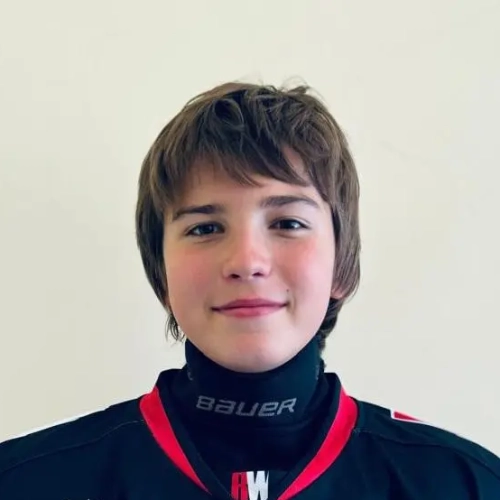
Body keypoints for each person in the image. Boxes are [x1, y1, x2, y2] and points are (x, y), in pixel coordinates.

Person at [1, 81, 499, 499]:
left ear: (341, 266)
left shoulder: (465, 485)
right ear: (162, 275)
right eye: (204, 228)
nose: (246, 262)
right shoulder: (25, 482)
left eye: (287, 223)